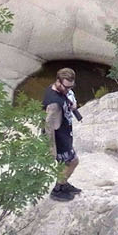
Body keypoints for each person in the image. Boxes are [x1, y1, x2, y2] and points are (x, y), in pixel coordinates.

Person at [42, 68, 82, 201]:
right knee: (72, 162)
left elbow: (64, 99)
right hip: (59, 138)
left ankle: (63, 184)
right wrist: (50, 148)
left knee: (66, 163)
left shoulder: (57, 90)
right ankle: (58, 189)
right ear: (58, 81)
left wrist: (71, 106)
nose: (68, 90)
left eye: (71, 87)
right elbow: (48, 127)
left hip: (64, 133)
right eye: (66, 87)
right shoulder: (53, 103)